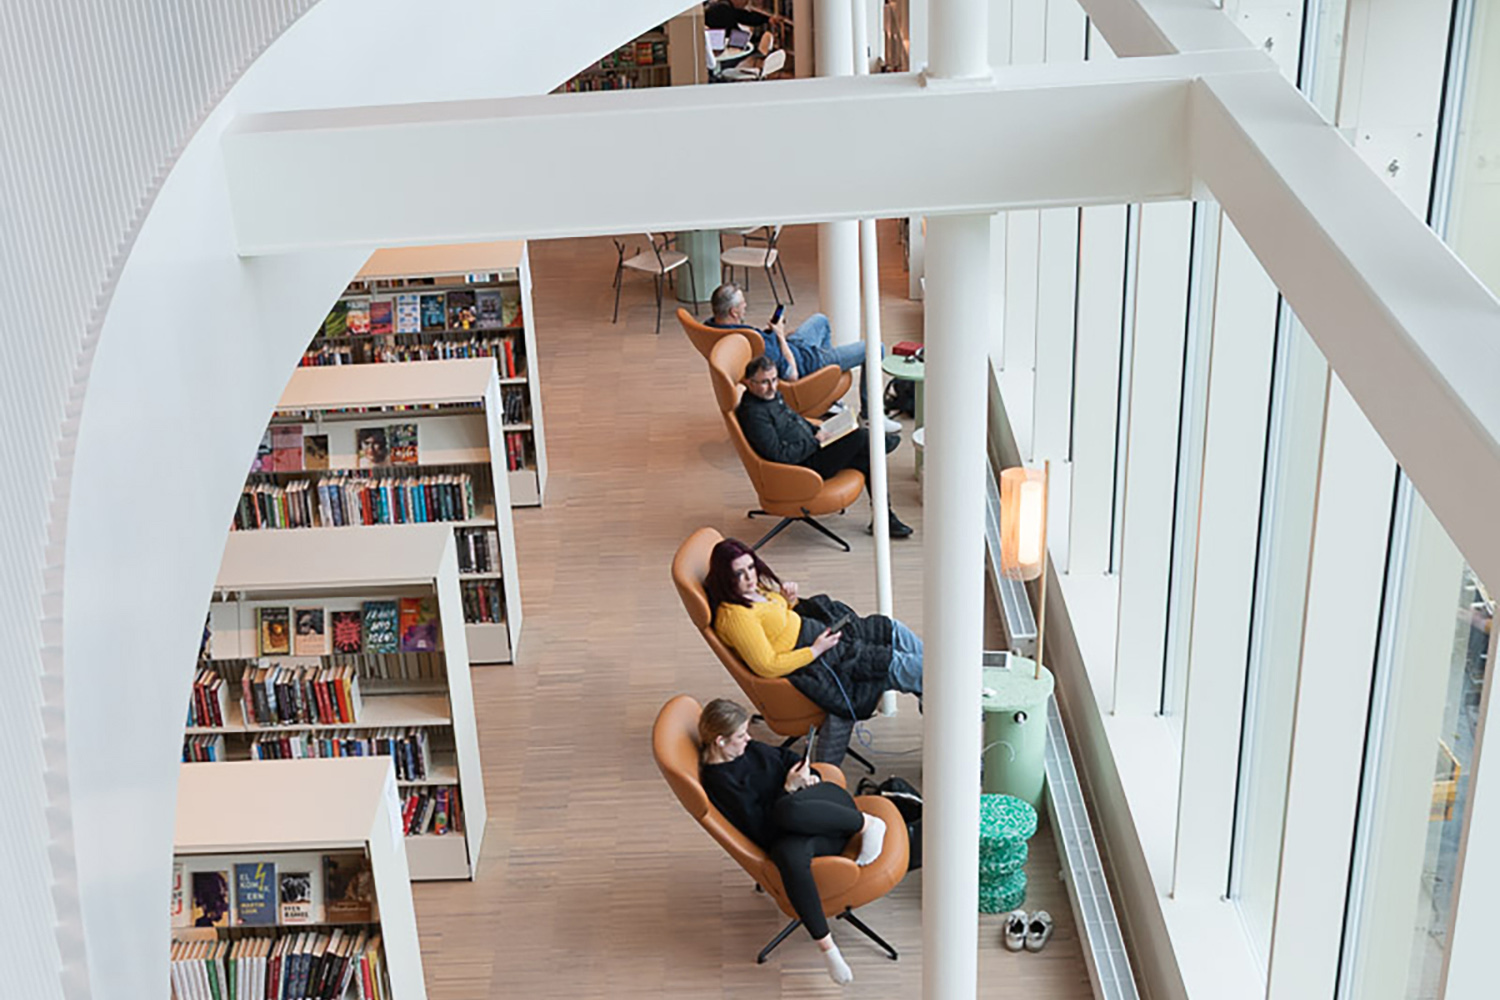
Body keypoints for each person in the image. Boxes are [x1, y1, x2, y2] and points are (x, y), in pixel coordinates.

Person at [698, 697, 886, 984]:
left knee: (788, 809)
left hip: (827, 809)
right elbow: (759, 828)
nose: (749, 739)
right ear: (720, 741)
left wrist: (807, 775)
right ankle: (828, 948)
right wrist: (787, 789)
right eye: (741, 735)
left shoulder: (749, 749)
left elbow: (787, 759)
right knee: (788, 856)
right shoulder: (720, 782)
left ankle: (868, 824)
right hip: (794, 830)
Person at [706, 537, 923, 731]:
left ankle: (929, 695)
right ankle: (933, 697)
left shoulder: (751, 591)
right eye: (739, 573)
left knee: (892, 629)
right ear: (725, 578)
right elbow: (767, 666)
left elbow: (775, 626)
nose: (749, 577)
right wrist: (815, 650)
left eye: (751, 567)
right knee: (908, 665)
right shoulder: (736, 617)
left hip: (823, 636)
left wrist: (790, 601)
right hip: (818, 657)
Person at [737, 354, 914, 538]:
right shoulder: (754, 414)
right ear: (749, 383)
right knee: (862, 439)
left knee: (866, 454)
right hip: (801, 468)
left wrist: (818, 430)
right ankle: (882, 446)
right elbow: (780, 455)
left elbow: (795, 419)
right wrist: (815, 441)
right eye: (764, 382)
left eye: (774, 379)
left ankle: (884, 517)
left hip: (813, 446)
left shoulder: (770, 396)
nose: (772, 387)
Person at [707, 282, 901, 433]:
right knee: (874, 348)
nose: (746, 306)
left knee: (821, 321)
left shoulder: (713, 328)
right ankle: (869, 416)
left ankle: (825, 392)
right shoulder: (752, 343)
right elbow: (792, 374)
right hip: (808, 361)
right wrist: (780, 336)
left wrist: (780, 336)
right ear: (733, 312)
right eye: (742, 303)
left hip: (793, 345)